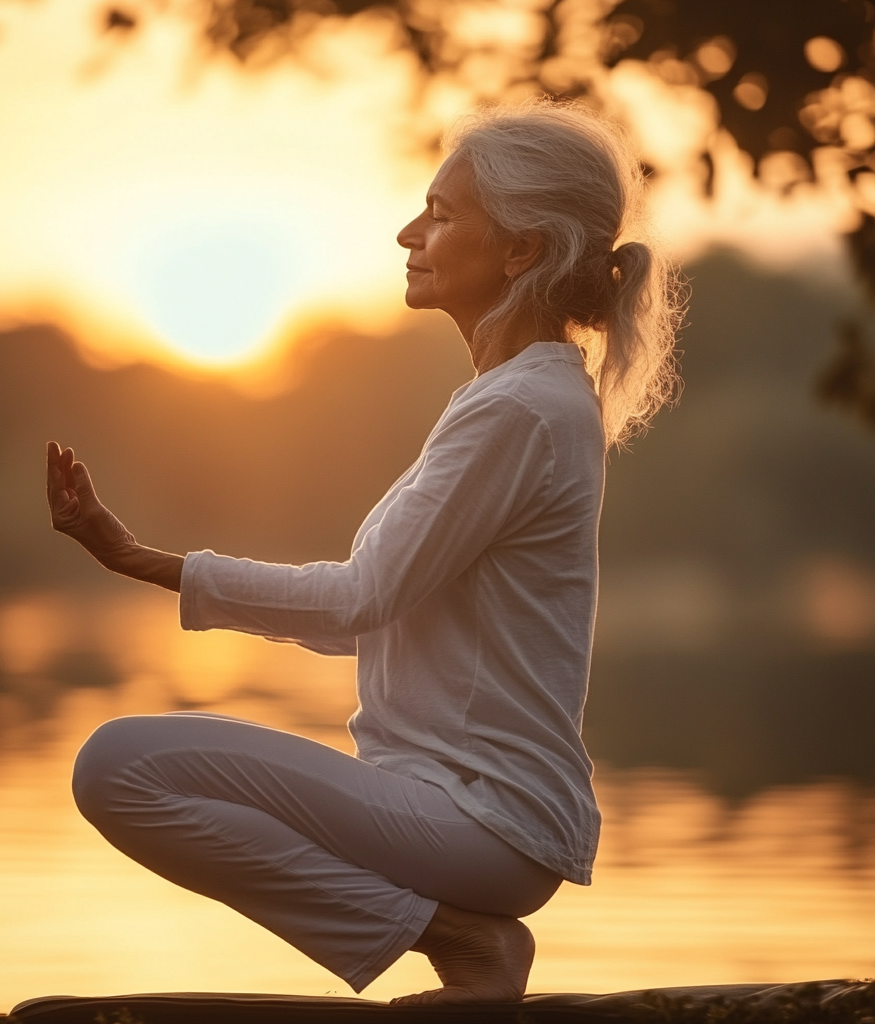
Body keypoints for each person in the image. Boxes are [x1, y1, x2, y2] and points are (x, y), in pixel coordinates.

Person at [46, 100, 682, 1005]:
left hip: (482, 819)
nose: (408, 232)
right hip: (465, 813)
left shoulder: (519, 408)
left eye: (443, 213)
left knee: (120, 767)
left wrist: (147, 561)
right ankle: (456, 936)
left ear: (523, 251)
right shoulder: (523, 399)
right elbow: (370, 622)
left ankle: (463, 945)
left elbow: (358, 601)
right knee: (127, 766)